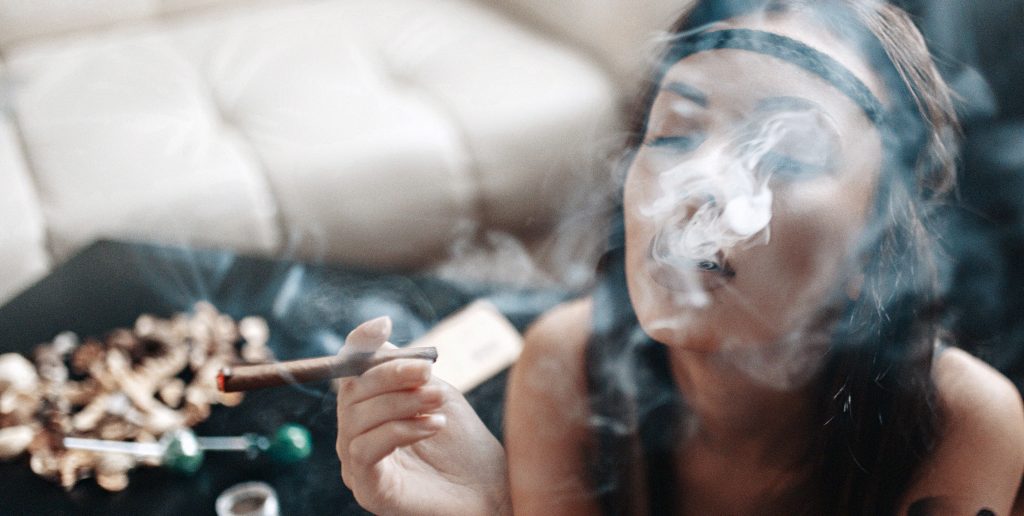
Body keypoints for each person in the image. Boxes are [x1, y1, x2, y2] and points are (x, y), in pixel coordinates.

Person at [335, 0, 1024, 514]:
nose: (699, 184)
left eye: (786, 151)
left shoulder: (961, 421)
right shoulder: (569, 366)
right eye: (673, 133)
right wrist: (490, 507)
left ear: (874, 250)